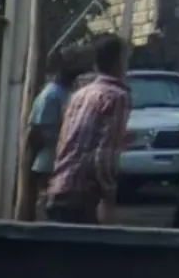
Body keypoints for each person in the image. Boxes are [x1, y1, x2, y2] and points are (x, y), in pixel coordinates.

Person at [44, 34, 131, 225]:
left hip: (59, 188)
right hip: (83, 197)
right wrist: (109, 196)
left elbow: (65, 141)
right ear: (120, 61)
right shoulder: (116, 96)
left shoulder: (79, 95)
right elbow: (103, 155)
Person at [26, 49, 76, 218]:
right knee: (48, 201)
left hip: (61, 158)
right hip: (48, 160)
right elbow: (39, 130)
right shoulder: (51, 95)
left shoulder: (62, 92)